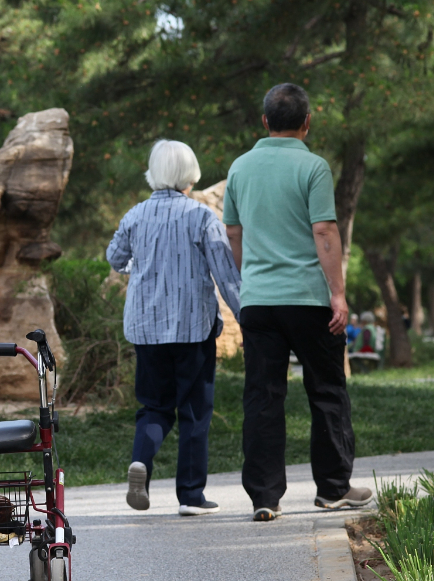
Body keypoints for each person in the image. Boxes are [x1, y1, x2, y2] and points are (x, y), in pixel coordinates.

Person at [222, 83, 372, 522]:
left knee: (262, 397)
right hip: (308, 300)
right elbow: (324, 231)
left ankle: (265, 497)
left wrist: (250, 277)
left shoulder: (240, 167)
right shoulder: (313, 166)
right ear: (307, 123)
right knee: (326, 389)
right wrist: (338, 294)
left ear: (265, 122)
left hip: (260, 303)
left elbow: (233, 233)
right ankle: (332, 489)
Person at [106, 140, 242, 517]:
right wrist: (247, 318)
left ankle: (141, 462)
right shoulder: (201, 217)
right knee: (195, 412)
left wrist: (140, 266)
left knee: (154, 406)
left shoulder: (135, 215)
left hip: (146, 329)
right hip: (192, 328)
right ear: (190, 173)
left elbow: (115, 258)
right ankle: (191, 496)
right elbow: (227, 276)